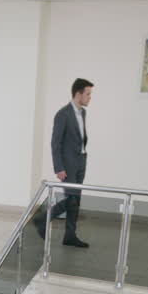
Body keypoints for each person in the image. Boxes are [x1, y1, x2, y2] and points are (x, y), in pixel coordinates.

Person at [35, 78, 94, 248]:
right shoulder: (63, 114)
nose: (90, 97)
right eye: (88, 94)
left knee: (76, 199)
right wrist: (59, 167)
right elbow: (55, 143)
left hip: (81, 161)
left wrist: (82, 157)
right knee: (72, 199)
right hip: (67, 164)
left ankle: (70, 235)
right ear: (78, 94)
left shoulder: (82, 113)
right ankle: (44, 218)